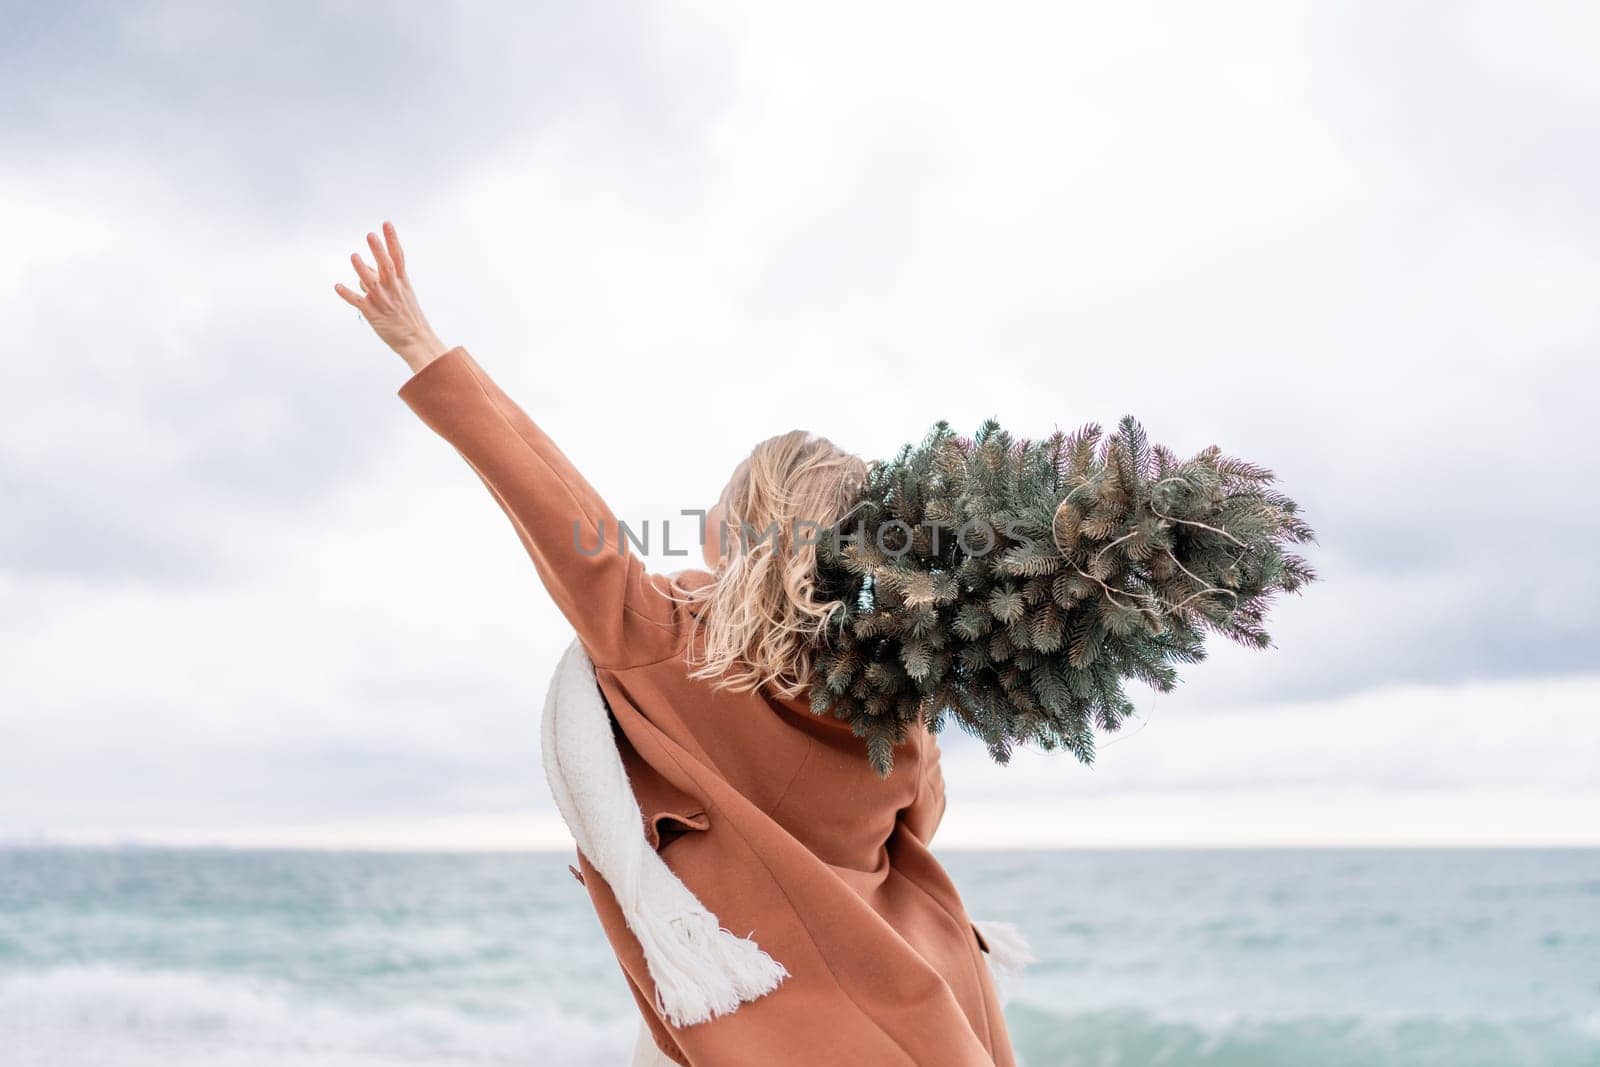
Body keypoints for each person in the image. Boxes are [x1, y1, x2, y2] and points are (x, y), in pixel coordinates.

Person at [335, 222, 1019, 1066]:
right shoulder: (889, 702)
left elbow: (555, 504)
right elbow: (923, 822)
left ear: (745, 519)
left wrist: (423, 348)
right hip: (901, 1019)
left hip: (742, 1019)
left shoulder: (670, 640)